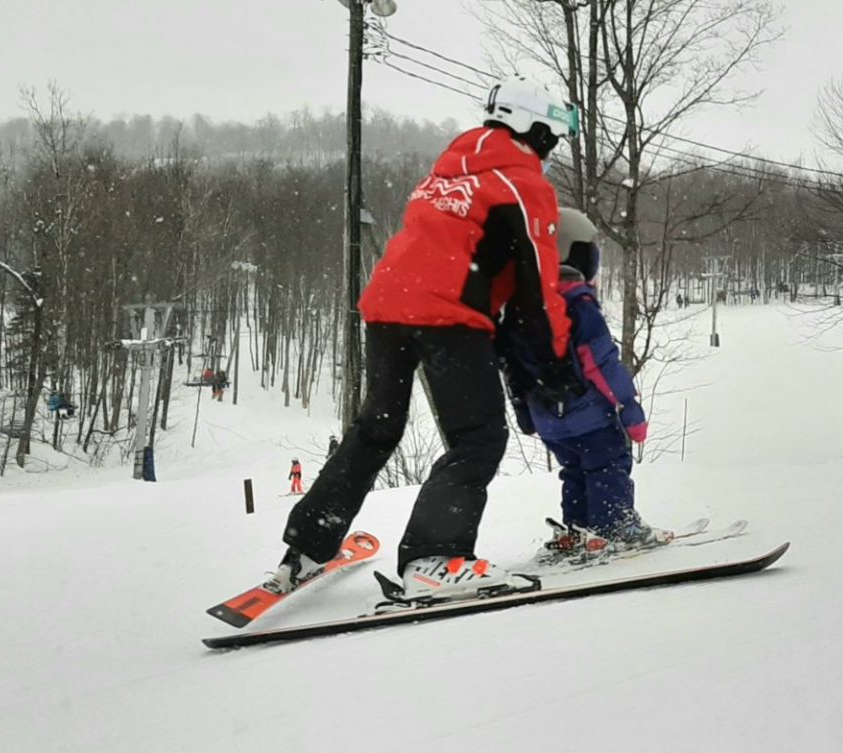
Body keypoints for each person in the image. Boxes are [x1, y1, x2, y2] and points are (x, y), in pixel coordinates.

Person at [265, 74, 583, 604]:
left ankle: (307, 545)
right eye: (554, 137)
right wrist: (554, 365)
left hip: (387, 307)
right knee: (478, 437)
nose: (553, 150)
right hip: (447, 316)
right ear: (538, 130)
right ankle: (434, 558)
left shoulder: (446, 170)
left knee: (375, 430)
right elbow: (539, 287)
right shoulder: (522, 184)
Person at [499, 208, 667, 562]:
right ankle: (616, 526)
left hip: (548, 419)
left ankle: (579, 529)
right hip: (587, 413)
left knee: (574, 470)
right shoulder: (577, 301)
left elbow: (511, 365)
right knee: (608, 463)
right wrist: (628, 406)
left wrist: (524, 411)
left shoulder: (518, 304)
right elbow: (601, 361)